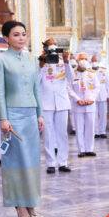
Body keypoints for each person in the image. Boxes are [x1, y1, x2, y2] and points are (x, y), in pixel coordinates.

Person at [0, 21, 44, 217]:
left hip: (31, 115)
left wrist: (40, 114)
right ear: (6, 38)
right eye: (16, 35)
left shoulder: (32, 60)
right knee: (15, 161)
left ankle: (31, 202)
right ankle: (19, 206)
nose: (21, 38)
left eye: (23, 34)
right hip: (12, 116)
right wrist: (4, 118)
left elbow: (36, 89)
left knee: (31, 160)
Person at [39, 42, 74, 174]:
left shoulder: (62, 62)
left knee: (62, 134)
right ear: (45, 49)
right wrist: (41, 66)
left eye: (55, 45)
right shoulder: (41, 63)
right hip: (46, 103)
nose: (53, 48)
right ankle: (51, 163)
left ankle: (63, 162)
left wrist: (66, 62)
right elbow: (35, 82)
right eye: (50, 46)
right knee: (48, 134)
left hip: (61, 103)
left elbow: (71, 78)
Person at [69, 52, 100, 157]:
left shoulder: (92, 73)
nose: (84, 60)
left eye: (86, 59)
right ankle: (81, 149)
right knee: (79, 128)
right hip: (78, 105)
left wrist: (92, 98)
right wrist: (77, 99)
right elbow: (69, 88)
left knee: (90, 127)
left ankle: (89, 148)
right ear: (77, 61)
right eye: (81, 58)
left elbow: (97, 87)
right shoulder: (72, 73)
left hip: (90, 104)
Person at [91, 54, 109, 139]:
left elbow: (108, 84)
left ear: (98, 61)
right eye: (92, 61)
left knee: (103, 114)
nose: (94, 62)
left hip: (103, 95)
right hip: (92, 96)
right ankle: (96, 132)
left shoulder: (103, 70)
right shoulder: (89, 70)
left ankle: (102, 131)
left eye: (95, 60)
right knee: (94, 114)